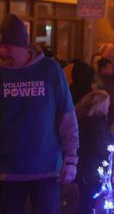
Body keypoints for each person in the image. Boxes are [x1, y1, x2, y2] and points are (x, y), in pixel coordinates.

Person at [0, 14, 79, 213]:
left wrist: (70, 160)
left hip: (46, 169)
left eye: (8, 47)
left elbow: (67, 117)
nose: (2, 52)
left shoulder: (49, 70)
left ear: (22, 46)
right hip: (7, 171)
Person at [75, 90, 111, 214]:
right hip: (93, 170)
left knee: (83, 200)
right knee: (89, 201)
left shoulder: (79, 119)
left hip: (81, 167)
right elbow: (102, 147)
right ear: (100, 106)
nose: (108, 108)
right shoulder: (97, 124)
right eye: (107, 105)